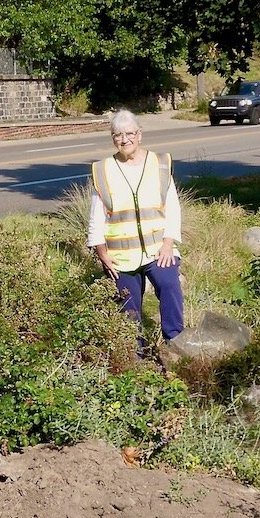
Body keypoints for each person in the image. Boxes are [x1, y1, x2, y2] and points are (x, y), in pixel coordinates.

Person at [87, 110, 185, 357]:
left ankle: (175, 345)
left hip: (158, 249)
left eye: (129, 133)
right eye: (118, 135)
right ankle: (135, 358)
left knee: (170, 286)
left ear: (139, 135)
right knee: (129, 309)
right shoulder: (103, 170)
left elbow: (172, 207)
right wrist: (102, 253)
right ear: (112, 138)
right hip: (121, 256)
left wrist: (167, 244)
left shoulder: (160, 163)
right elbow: (96, 216)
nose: (124, 139)